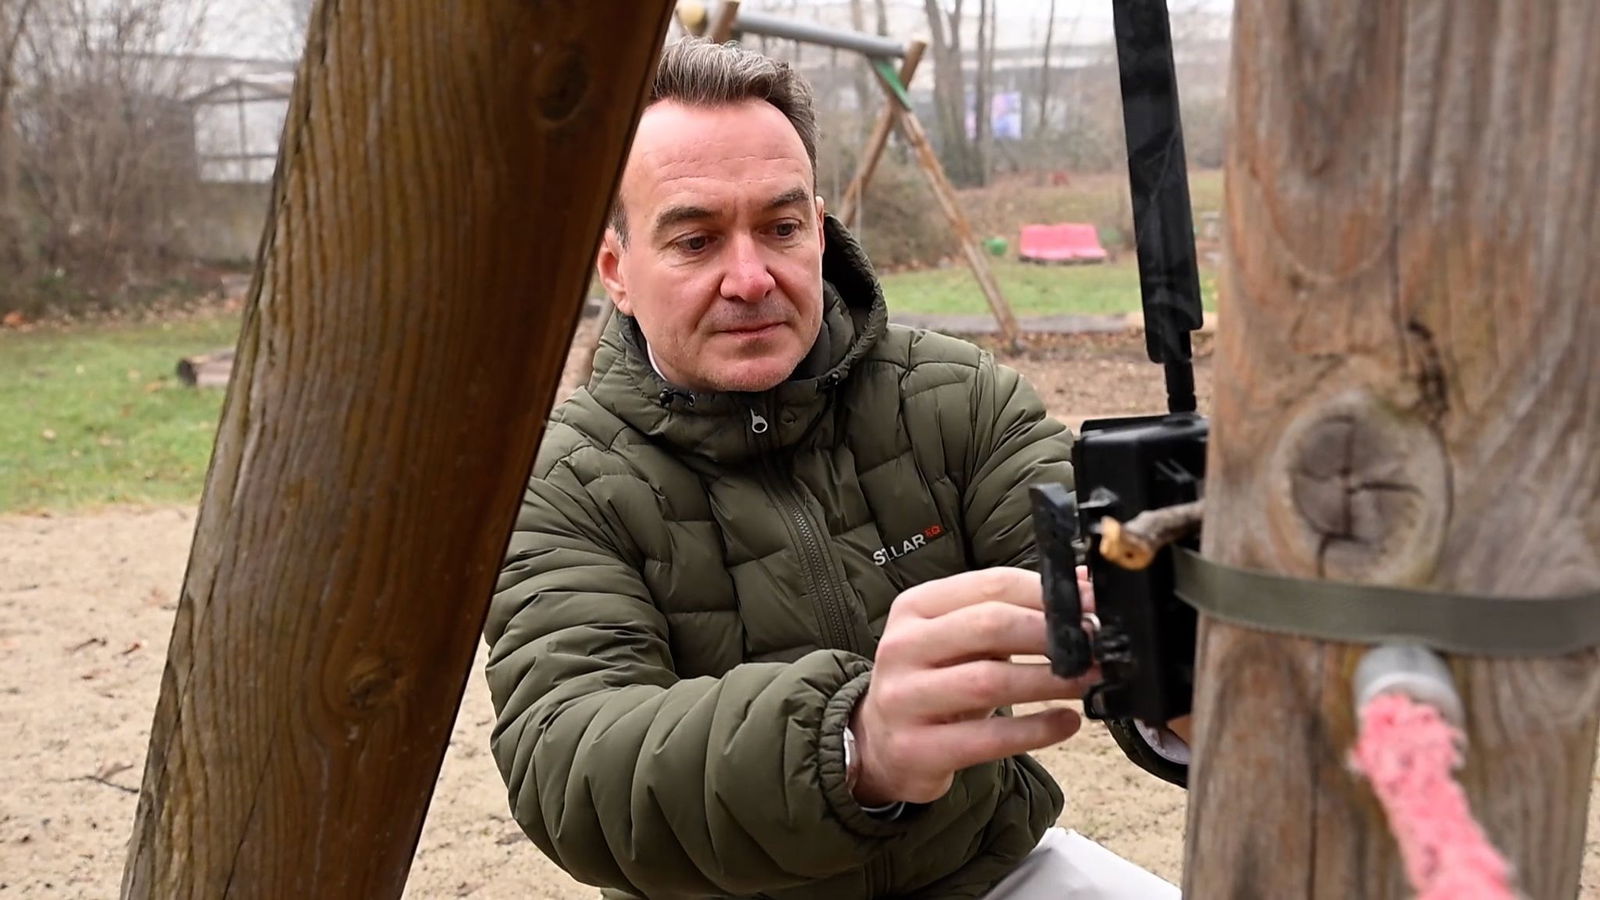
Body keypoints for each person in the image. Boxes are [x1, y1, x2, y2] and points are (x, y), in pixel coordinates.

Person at [483, 38, 1178, 899]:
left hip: (985, 873)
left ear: (818, 229)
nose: (750, 279)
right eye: (696, 240)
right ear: (617, 271)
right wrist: (856, 744)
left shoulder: (954, 396)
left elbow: (1106, 574)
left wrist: (1173, 667)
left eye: (780, 229)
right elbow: (570, 762)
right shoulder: (559, 483)